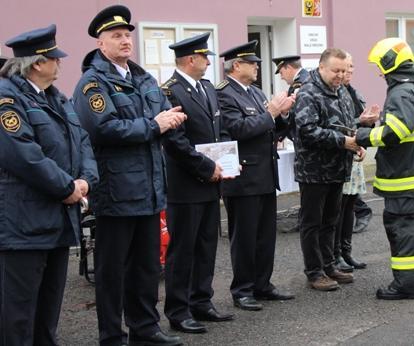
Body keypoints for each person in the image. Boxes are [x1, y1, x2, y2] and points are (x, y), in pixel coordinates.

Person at [72, 5, 186, 346]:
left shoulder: (142, 78)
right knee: (112, 271)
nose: (124, 41)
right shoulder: (92, 83)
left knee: (147, 267)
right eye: (116, 36)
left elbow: (156, 119)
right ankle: (111, 334)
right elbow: (103, 128)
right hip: (117, 191)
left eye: (127, 36)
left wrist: (167, 121)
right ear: (100, 43)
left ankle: (145, 328)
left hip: (149, 189)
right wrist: (154, 125)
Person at [0, 24, 98, 345]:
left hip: (57, 220)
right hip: (23, 225)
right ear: (38, 63)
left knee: (49, 309)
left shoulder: (57, 97)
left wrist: (85, 180)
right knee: (18, 314)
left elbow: (82, 141)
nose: (59, 63)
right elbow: (24, 156)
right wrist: (68, 187)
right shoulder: (7, 98)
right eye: (55, 58)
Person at [345, 37, 414, 300]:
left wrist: (363, 136)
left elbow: (396, 131)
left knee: (402, 230)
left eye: (380, 66)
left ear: (389, 64)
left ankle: (407, 285)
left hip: (403, 178)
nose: (380, 72)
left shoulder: (400, 93)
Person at [161, 32, 233, 334]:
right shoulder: (169, 91)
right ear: (191, 59)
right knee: (183, 249)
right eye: (205, 57)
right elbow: (175, 141)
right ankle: (178, 309)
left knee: (206, 245)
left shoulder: (206, 88)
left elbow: (219, 132)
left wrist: (228, 160)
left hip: (209, 181)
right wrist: (207, 167)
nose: (208, 62)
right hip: (186, 184)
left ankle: (202, 301)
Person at [216, 40, 295, 311]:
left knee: (265, 236)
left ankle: (263, 284)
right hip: (243, 176)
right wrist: (271, 112)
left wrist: (282, 115)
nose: (257, 67)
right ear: (236, 66)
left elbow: (271, 130)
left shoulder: (255, 92)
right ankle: (242, 290)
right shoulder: (224, 94)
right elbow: (237, 129)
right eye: (253, 63)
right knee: (245, 238)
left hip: (264, 174)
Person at [294, 48, 364, 292]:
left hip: (337, 167)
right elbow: (307, 131)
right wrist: (343, 142)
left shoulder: (341, 91)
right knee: (312, 222)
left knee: (331, 220)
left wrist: (355, 143)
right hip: (314, 170)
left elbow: (345, 125)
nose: (341, 75)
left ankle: (329, 264)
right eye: (336, 70)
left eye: (344, 71)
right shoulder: (308, 93)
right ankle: (314, 271)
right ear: (322, 67)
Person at [334, 52, 379, 272]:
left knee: (351, 205)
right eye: (345, 67)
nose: (349, 71)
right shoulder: (333, 92)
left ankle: (346, 251)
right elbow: (338, 125)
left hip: (354, 155)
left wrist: (368, 126)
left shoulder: (353, 91)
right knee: (339, 209)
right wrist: (359, 121)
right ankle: (336, 255)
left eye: (352, 66)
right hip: (340, 156)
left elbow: (358, 126)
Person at [271, 55, 309, 141]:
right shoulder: (306, 77)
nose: (281, 77)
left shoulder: (299, 83)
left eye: (281, 73)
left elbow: (295, 115)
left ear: (288, 68)